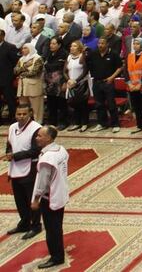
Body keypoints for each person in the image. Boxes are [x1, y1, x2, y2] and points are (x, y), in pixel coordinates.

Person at [30, 125, 69, 270]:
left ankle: (56, 257)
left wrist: (35, 199)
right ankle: (58, 252)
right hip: (61, 193)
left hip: (50, 197)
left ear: (49, 138)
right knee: (57, 226)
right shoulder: (61, 150)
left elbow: (42, 182)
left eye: (40, 136)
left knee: (52, 229)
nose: (37, 138)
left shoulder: (47, 158)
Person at [3, 103, 42, 241]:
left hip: (30, 169)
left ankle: (36, 225)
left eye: (24, 114)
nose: (21, 117)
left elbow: (35, 150)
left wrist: (15, 156)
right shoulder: (13, 127)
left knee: (31, 199)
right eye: (19, 114)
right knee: (19, 200)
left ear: (30, 113)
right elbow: (9, 145)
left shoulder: (36, 129)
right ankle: (24, 223)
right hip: (15, 168)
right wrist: (8, 153)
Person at [14, 45, 44, 124]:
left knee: (36, 108)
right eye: (22, 48)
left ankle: (38, 123)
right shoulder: (21, 59)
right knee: (23, 107)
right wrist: (25, 66)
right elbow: (15, 71)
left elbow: (35, 72)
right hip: (22, 87)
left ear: (30, 49)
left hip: (34, 86)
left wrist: (22, 74)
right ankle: (25, 123)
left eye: (25, 48)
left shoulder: (37, 58)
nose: (22, 50)